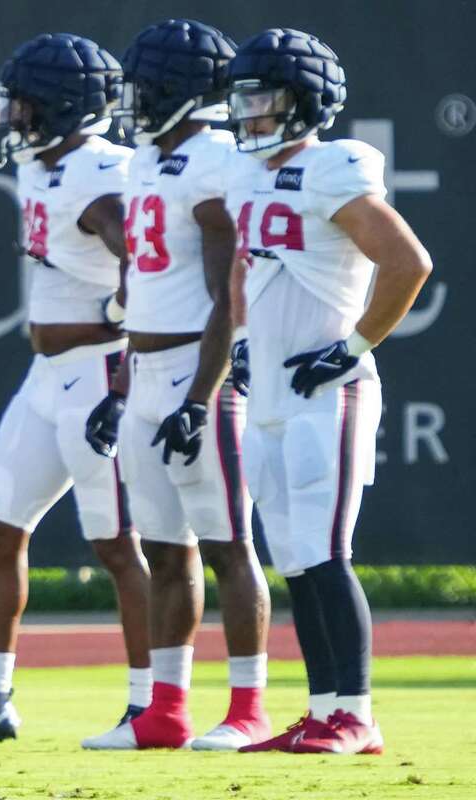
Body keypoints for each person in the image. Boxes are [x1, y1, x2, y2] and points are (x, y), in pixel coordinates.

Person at [0, 33, 151, 748]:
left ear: (61, 107)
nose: (11, 118)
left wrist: (121, 341)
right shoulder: (47, 163)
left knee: (117, 546)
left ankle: (150, 702)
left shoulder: (97, 174)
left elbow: (145, 260)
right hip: (46, 377)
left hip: (95, 375)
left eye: (22, 106)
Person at [224, 29, 431, 754]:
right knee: (295, 557)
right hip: (274, 391)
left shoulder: (330, 169)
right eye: (242, 97)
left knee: (326, 550)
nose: (248, 112)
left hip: (327, 392)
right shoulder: (246, 177)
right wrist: (245, 344)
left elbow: (408, 262)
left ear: (306, 101)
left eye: (263, 97)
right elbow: (247, 272)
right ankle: (323, 711)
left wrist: (352, 348)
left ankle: (357, 715)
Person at [81, 19, 272, 751]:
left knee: (227, 543)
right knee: (165, 547)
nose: (134, 102)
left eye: (146, 88)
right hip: (148, 368)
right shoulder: (145, 160)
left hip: (202, 371)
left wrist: (201, 396)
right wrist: (123, 385)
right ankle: (165, 709)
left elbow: (229, 292)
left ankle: (249, 705)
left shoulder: (215, 159)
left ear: (184, 92)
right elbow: (147, 288)